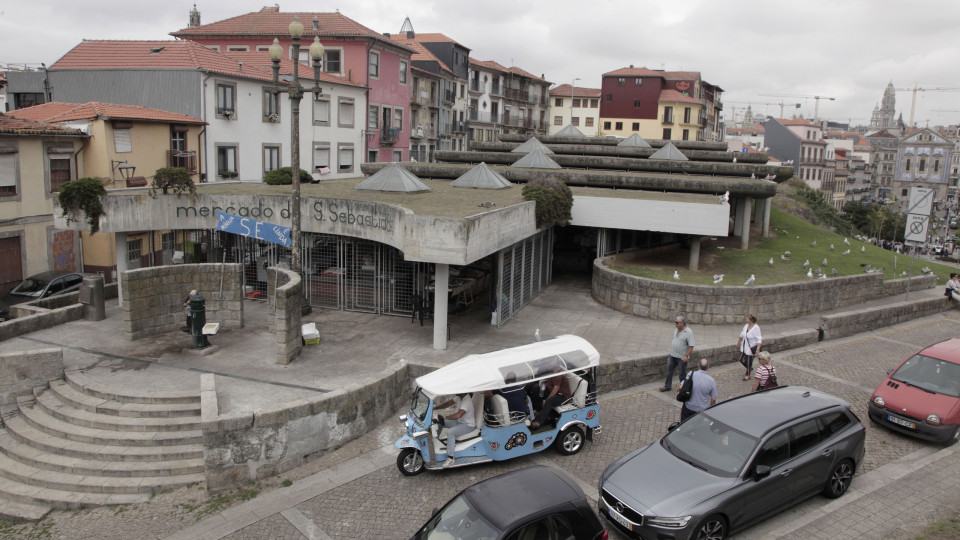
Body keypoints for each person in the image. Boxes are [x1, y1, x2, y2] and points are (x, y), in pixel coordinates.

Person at [660, 315, 695, 392]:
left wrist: (686, 355)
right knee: (669, 371)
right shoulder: (676, 330)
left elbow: (691, 346)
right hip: (673, 355)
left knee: (682, 374)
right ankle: (667, 386)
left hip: (681, 357)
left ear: (683, 323)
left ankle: (683, 388)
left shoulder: (689, 332)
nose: (675, 324)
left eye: (677, 323)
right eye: (675, 322)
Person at [439, 393, 475, 468]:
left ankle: (451, 458)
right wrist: (434, 408)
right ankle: (436, 441)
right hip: (459, 422)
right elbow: (448, 403)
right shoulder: (458, 397)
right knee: (440, 422)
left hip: (468, 425)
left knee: (451, 432)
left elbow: (458, 415)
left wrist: (445, 416)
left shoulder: (467, 400)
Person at [737, 315, 763, 381]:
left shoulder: (756, 328)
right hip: (744, 346)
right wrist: (739, 342)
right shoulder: (746, 326)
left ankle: (747, 375)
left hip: (751, 348)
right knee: (741, 359)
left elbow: (759, 339)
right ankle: (749, 368)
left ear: (752, 320)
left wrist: (758, 348)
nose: (747, 320)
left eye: (748, 319)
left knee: (749, 361)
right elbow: (742, 334)